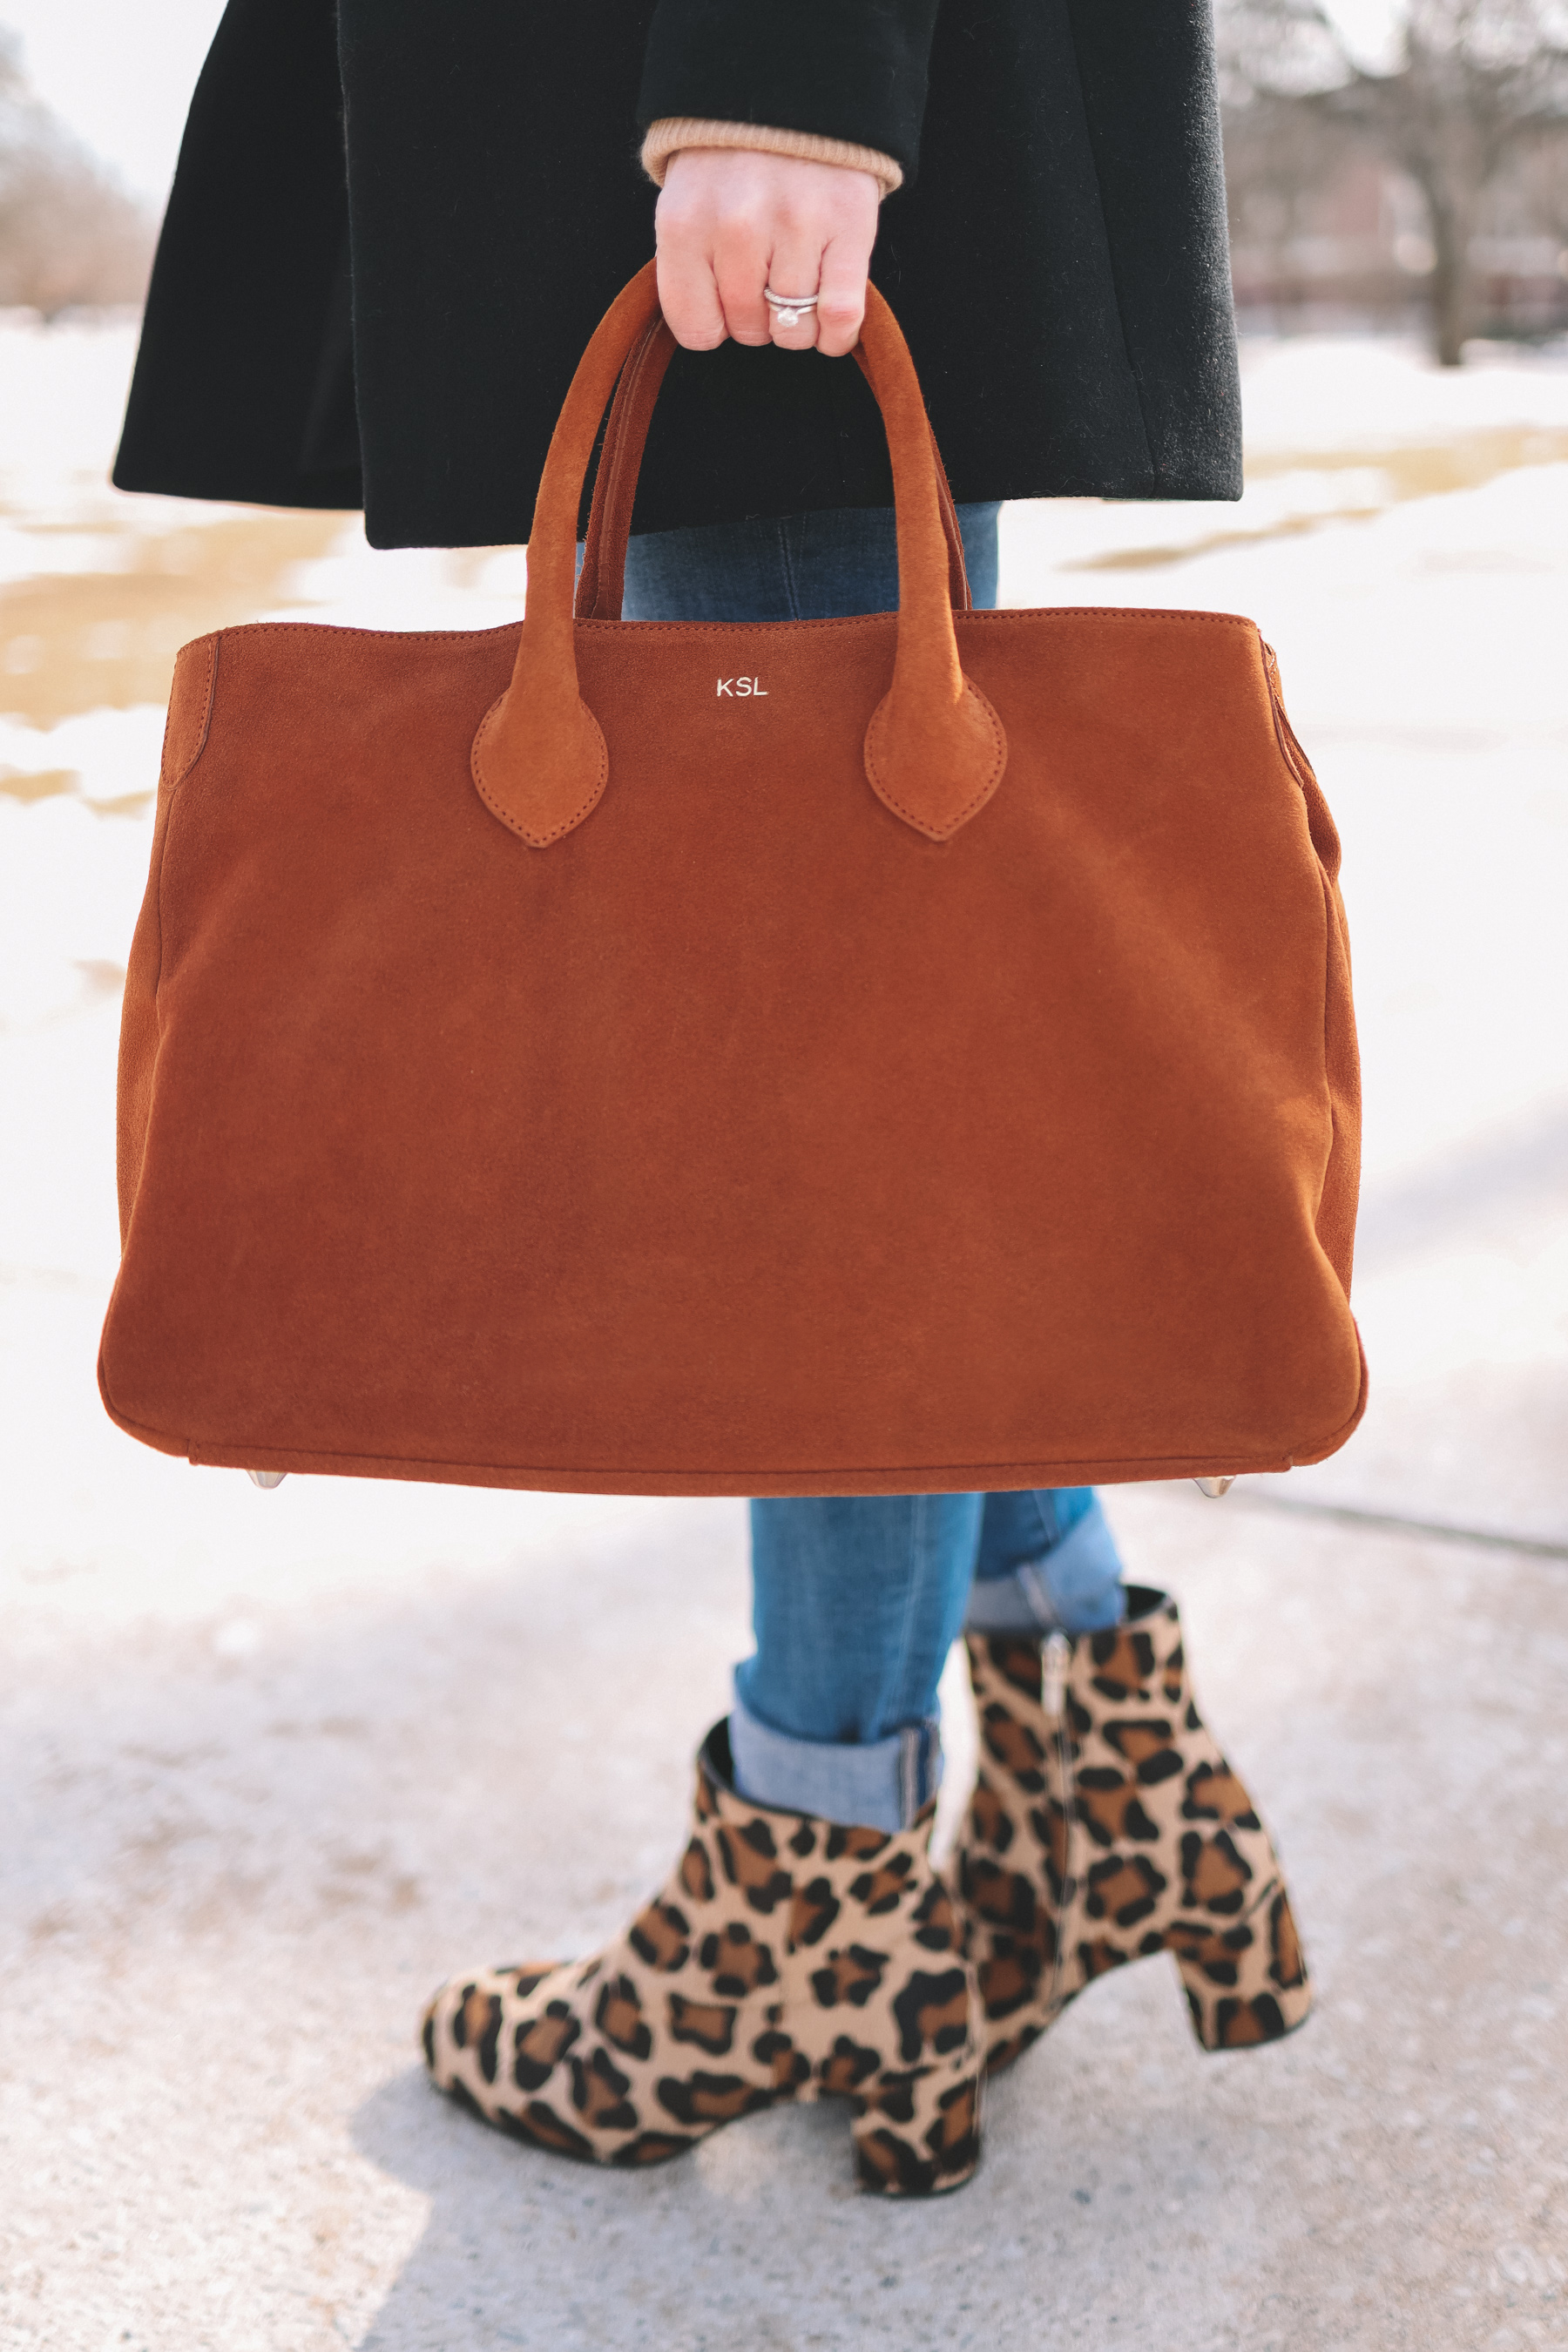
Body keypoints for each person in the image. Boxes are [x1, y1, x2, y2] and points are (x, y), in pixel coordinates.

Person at [117, 0, 1312, 2199]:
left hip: (738, 110)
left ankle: (814, 1889)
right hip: (696, 109)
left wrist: (793, 78)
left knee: (822, 1137)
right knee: (874, 1089)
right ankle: (1100, 1772)